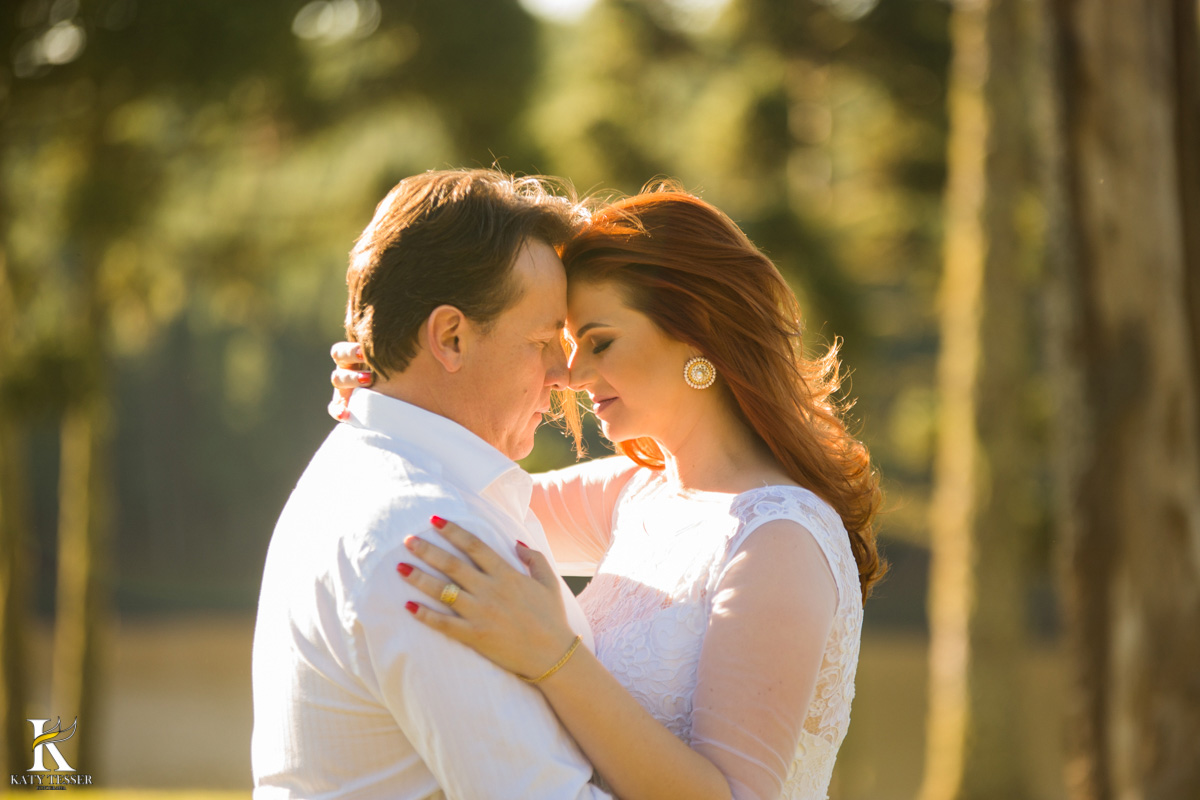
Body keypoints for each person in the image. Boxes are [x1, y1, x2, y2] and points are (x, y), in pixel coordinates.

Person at [329, 187, 887, 800]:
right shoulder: (638, 492)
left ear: (698, 335)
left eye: (600, 342)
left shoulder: (779, 540)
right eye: (565, 346)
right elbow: (467, 499)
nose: (569, 376)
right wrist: (390, 388)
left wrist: (555, 655)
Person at [252, 168, 616, 799]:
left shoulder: (380, 474)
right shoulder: (429, 538)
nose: (566, 373)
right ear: (450, 336)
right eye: (541, 341)